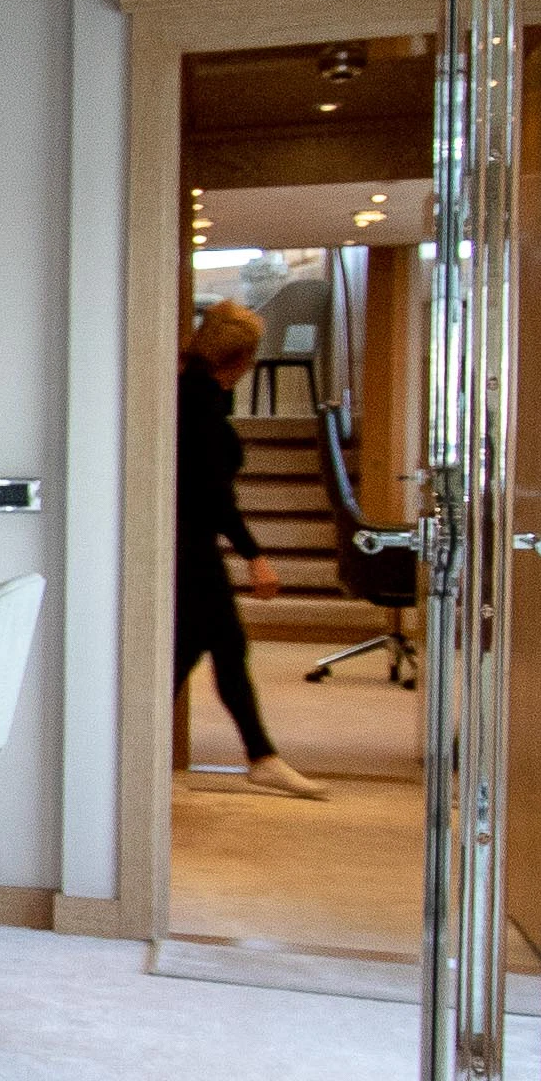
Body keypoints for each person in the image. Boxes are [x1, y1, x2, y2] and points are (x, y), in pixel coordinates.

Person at [177, 298, 326, 799]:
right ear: (238, 360)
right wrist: (254, 554)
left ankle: (260, 754)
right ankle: (261, 756)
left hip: (190, 543)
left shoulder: (200, 396)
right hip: (190, 546)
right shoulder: (199, 405)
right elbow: (215, 495)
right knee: (209, 647)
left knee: (202, 649)